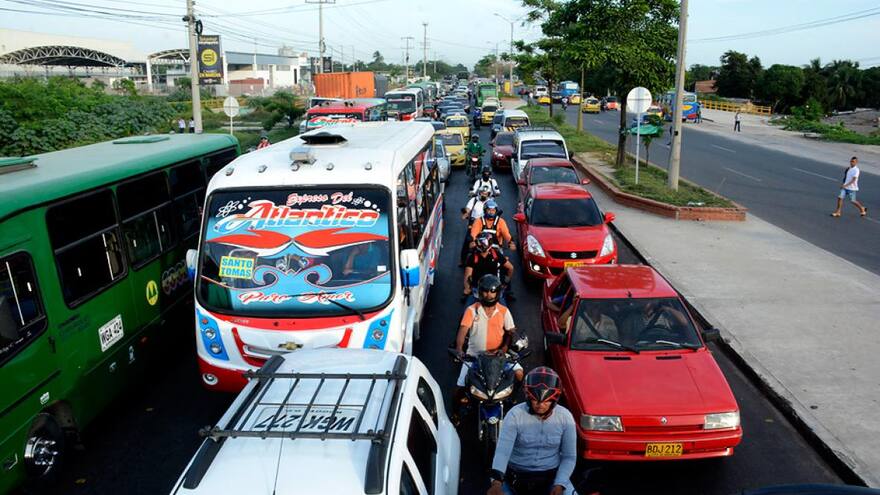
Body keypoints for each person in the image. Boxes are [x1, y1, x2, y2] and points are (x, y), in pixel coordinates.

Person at [488, 367, 577, 495]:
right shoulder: (514, 415)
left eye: (546, 401)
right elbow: (502, 452)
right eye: (535, 400)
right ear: (528, 397)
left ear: (554, 399)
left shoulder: (566, 417)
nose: (540, 405)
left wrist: (560, 483)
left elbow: (569, 457)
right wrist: (496, 483)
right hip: (516, 475)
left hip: (552, 477)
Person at [453, 275, 523, 415]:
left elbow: (510, 333)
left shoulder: (504, 311)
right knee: (459, 387)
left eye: (492, 291)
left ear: (497, 293)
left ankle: (512, 398)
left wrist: (503, 349)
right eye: (485, 291)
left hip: (499, 355)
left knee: (520, 374)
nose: (489, 295)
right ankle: (455, 413)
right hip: (474, 355)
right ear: (480, 292)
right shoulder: (471, 311)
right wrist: (459, 350)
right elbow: (462, 332)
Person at [462, 233, 515, 304]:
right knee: (466, 312)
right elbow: (467, 276)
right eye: (480, 242)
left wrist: (505, 283)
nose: (482, 245)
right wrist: (467, 288)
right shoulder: (473, 258)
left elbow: (510, 268)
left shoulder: (496, 255)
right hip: (478, 290)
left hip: (495, 290)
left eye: (484, 243)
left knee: (503, 311)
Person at [460, 186, 492, 266]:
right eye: (482, 193)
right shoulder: (473, 200)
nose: (484, 195)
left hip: (485, 225)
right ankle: (462, 260)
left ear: (488, 194)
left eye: (486, 193)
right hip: (473, 224)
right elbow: (468, 209)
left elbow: (494, 211)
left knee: (492, 241)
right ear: (479, 193)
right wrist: (466, 213)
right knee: (468, 241)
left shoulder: (491, 202)